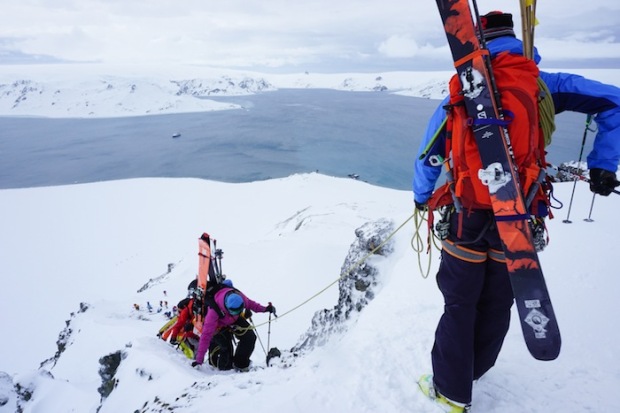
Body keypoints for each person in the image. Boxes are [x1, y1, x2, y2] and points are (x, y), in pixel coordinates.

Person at [413, 10, 620, 413]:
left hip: (466, 216)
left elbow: (428, 156)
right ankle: (474, 370)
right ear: (519, 42)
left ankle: (451, 390)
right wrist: (602, 165)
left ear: (478, 43)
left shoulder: (460, 92)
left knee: (460, 302)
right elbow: (614, 102)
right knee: (498, 299)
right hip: (519, 218)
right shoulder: (543, 85)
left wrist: (422, 197)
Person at [191, 285, 276, 371]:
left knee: (250, 337)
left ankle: (240, 364)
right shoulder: (213, 312)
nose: (237, 312)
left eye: (240, 310)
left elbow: (251, 304)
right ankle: (223, 369)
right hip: (219, 326)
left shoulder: (239, 297)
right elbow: (206, 336)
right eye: (234, 311)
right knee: (226, 348)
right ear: (227, 307)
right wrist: (199, 360)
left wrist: (265, 309)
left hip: (233, 319)